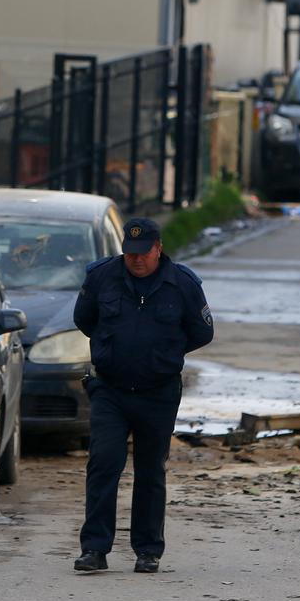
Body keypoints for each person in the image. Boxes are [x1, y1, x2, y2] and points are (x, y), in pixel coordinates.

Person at [72, 217, 213, 575]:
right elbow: (84, 319)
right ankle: (95, 549)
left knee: (150, 470)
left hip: (158, 393)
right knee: (104, 463)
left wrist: (162, 355)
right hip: (110, 390)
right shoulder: (102, 276)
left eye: (143, 252)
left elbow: (201, 332)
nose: (136, 259)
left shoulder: (181, 284)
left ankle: (148, 550)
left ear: (158, 248)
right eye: (130, 252)